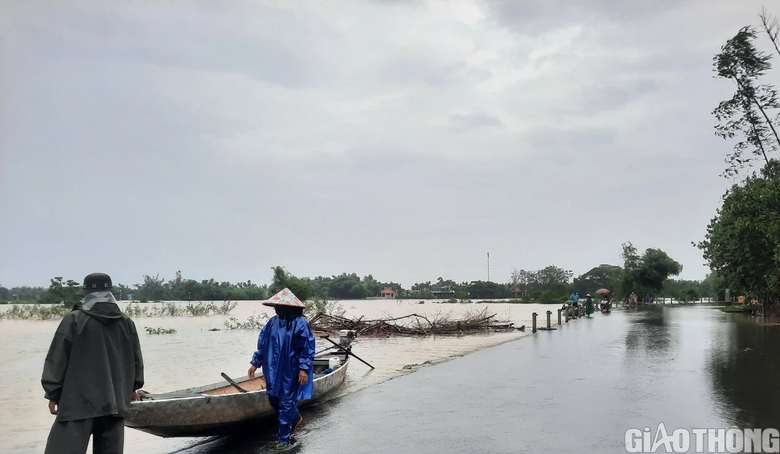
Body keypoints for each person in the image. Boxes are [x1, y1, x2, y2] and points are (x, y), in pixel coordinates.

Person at [41, 272, 144, 454]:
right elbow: (136, 361)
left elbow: (57, 360)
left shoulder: (73, 320)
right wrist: (132, 389)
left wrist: (53, 393)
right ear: (110, 294)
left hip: (77, 404)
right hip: (115, 403)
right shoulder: (127, 322)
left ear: (86, 294)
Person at [248, 288, 316, 451]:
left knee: (286, 402)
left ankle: (283, 439)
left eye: (280, 305)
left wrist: (304, 369)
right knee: (273, 398)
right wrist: (255, 363)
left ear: (290, 307)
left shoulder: (300, 323)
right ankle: (296, 418)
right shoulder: (272, 322)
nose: (277, 309)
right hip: (271, 369)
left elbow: (306, 347)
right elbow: (262, 344)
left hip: (290, 370)